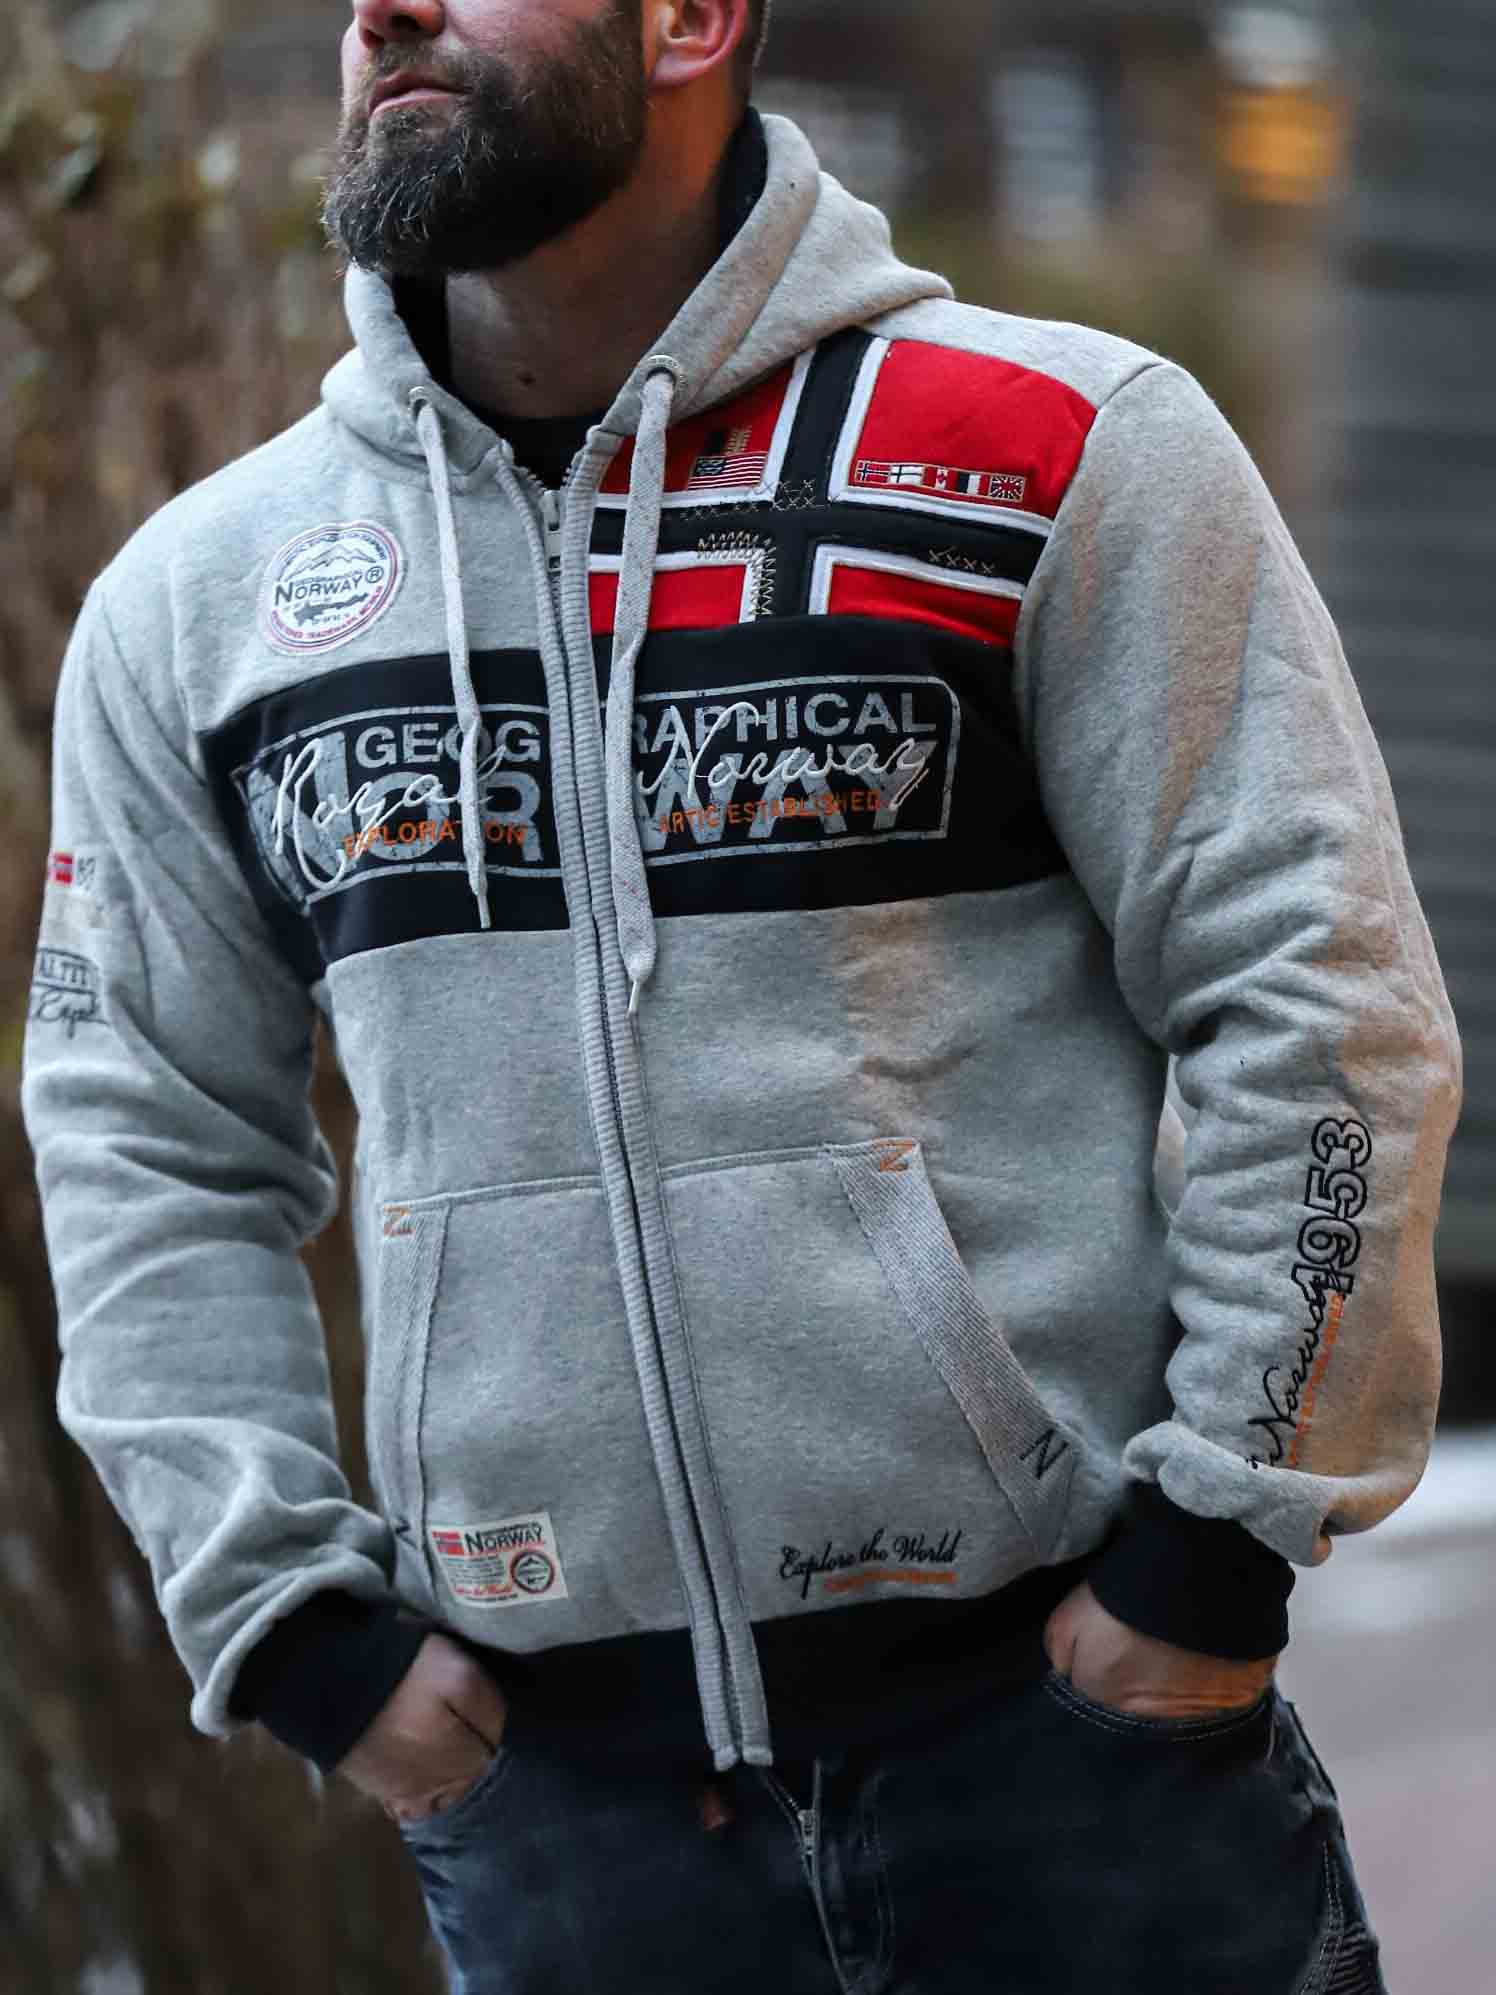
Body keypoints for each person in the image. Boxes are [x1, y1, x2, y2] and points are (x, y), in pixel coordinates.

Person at [23, 0, 1460, 1989]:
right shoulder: (204, 601)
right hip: (564, 1827)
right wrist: (292, 1624)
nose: (381, 10)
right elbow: (139, 1131)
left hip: (1074, 1758)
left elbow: (1319, 993)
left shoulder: (1062, 452)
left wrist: (1217, 1546)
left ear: (693, 19)